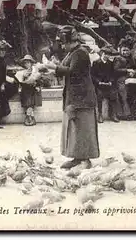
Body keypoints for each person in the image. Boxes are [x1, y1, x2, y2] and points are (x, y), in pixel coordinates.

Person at [46, 26, 99, 169]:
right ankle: (77, 157)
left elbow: (72, 71)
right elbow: (64, 68)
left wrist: (53, 67)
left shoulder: (80, 53)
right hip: (75, 97)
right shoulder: (73, 52)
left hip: (81, 98)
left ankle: (84, 159)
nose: (62, 46)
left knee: (82, 129)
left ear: (71, 41)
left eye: (64, 43)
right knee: (75, 129)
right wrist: (54, 66)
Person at [113, 39, 136, 120]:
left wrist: (134, 72)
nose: (125, 52)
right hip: (121, 79)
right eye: (124, 50)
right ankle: (126, 114)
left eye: (127, 50)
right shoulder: (118, 58)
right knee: (123, 93)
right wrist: (127, 70)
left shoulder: (134, 57)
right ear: (120, 50)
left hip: (133, 79)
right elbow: (116, 70)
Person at [91, 47, 119, 123]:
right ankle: (100, 114)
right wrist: (98, 82)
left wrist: (110, 81)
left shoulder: (110, 63)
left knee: (113, 94)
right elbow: (92, 75)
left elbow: (113, 75)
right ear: (102, 54)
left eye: (109, 55)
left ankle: (113, 114)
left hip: (108, 85)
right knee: (99, 95)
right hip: (99, 85)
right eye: (106, 54)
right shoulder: (96, 63)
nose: (107, 56)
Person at [18, 55, 42, 126]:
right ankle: (31, 118)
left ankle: (28, 118)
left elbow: (39, 81)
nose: (27, 64)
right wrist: (23, 78)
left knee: (30, 101)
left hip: (33, 90)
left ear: (31, 63)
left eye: (28, 62)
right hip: (25, 90)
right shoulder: (23, 72)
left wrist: (37, 84)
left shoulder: (35, 71)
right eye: (25, 63)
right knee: (28, 101)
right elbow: (20, 81)